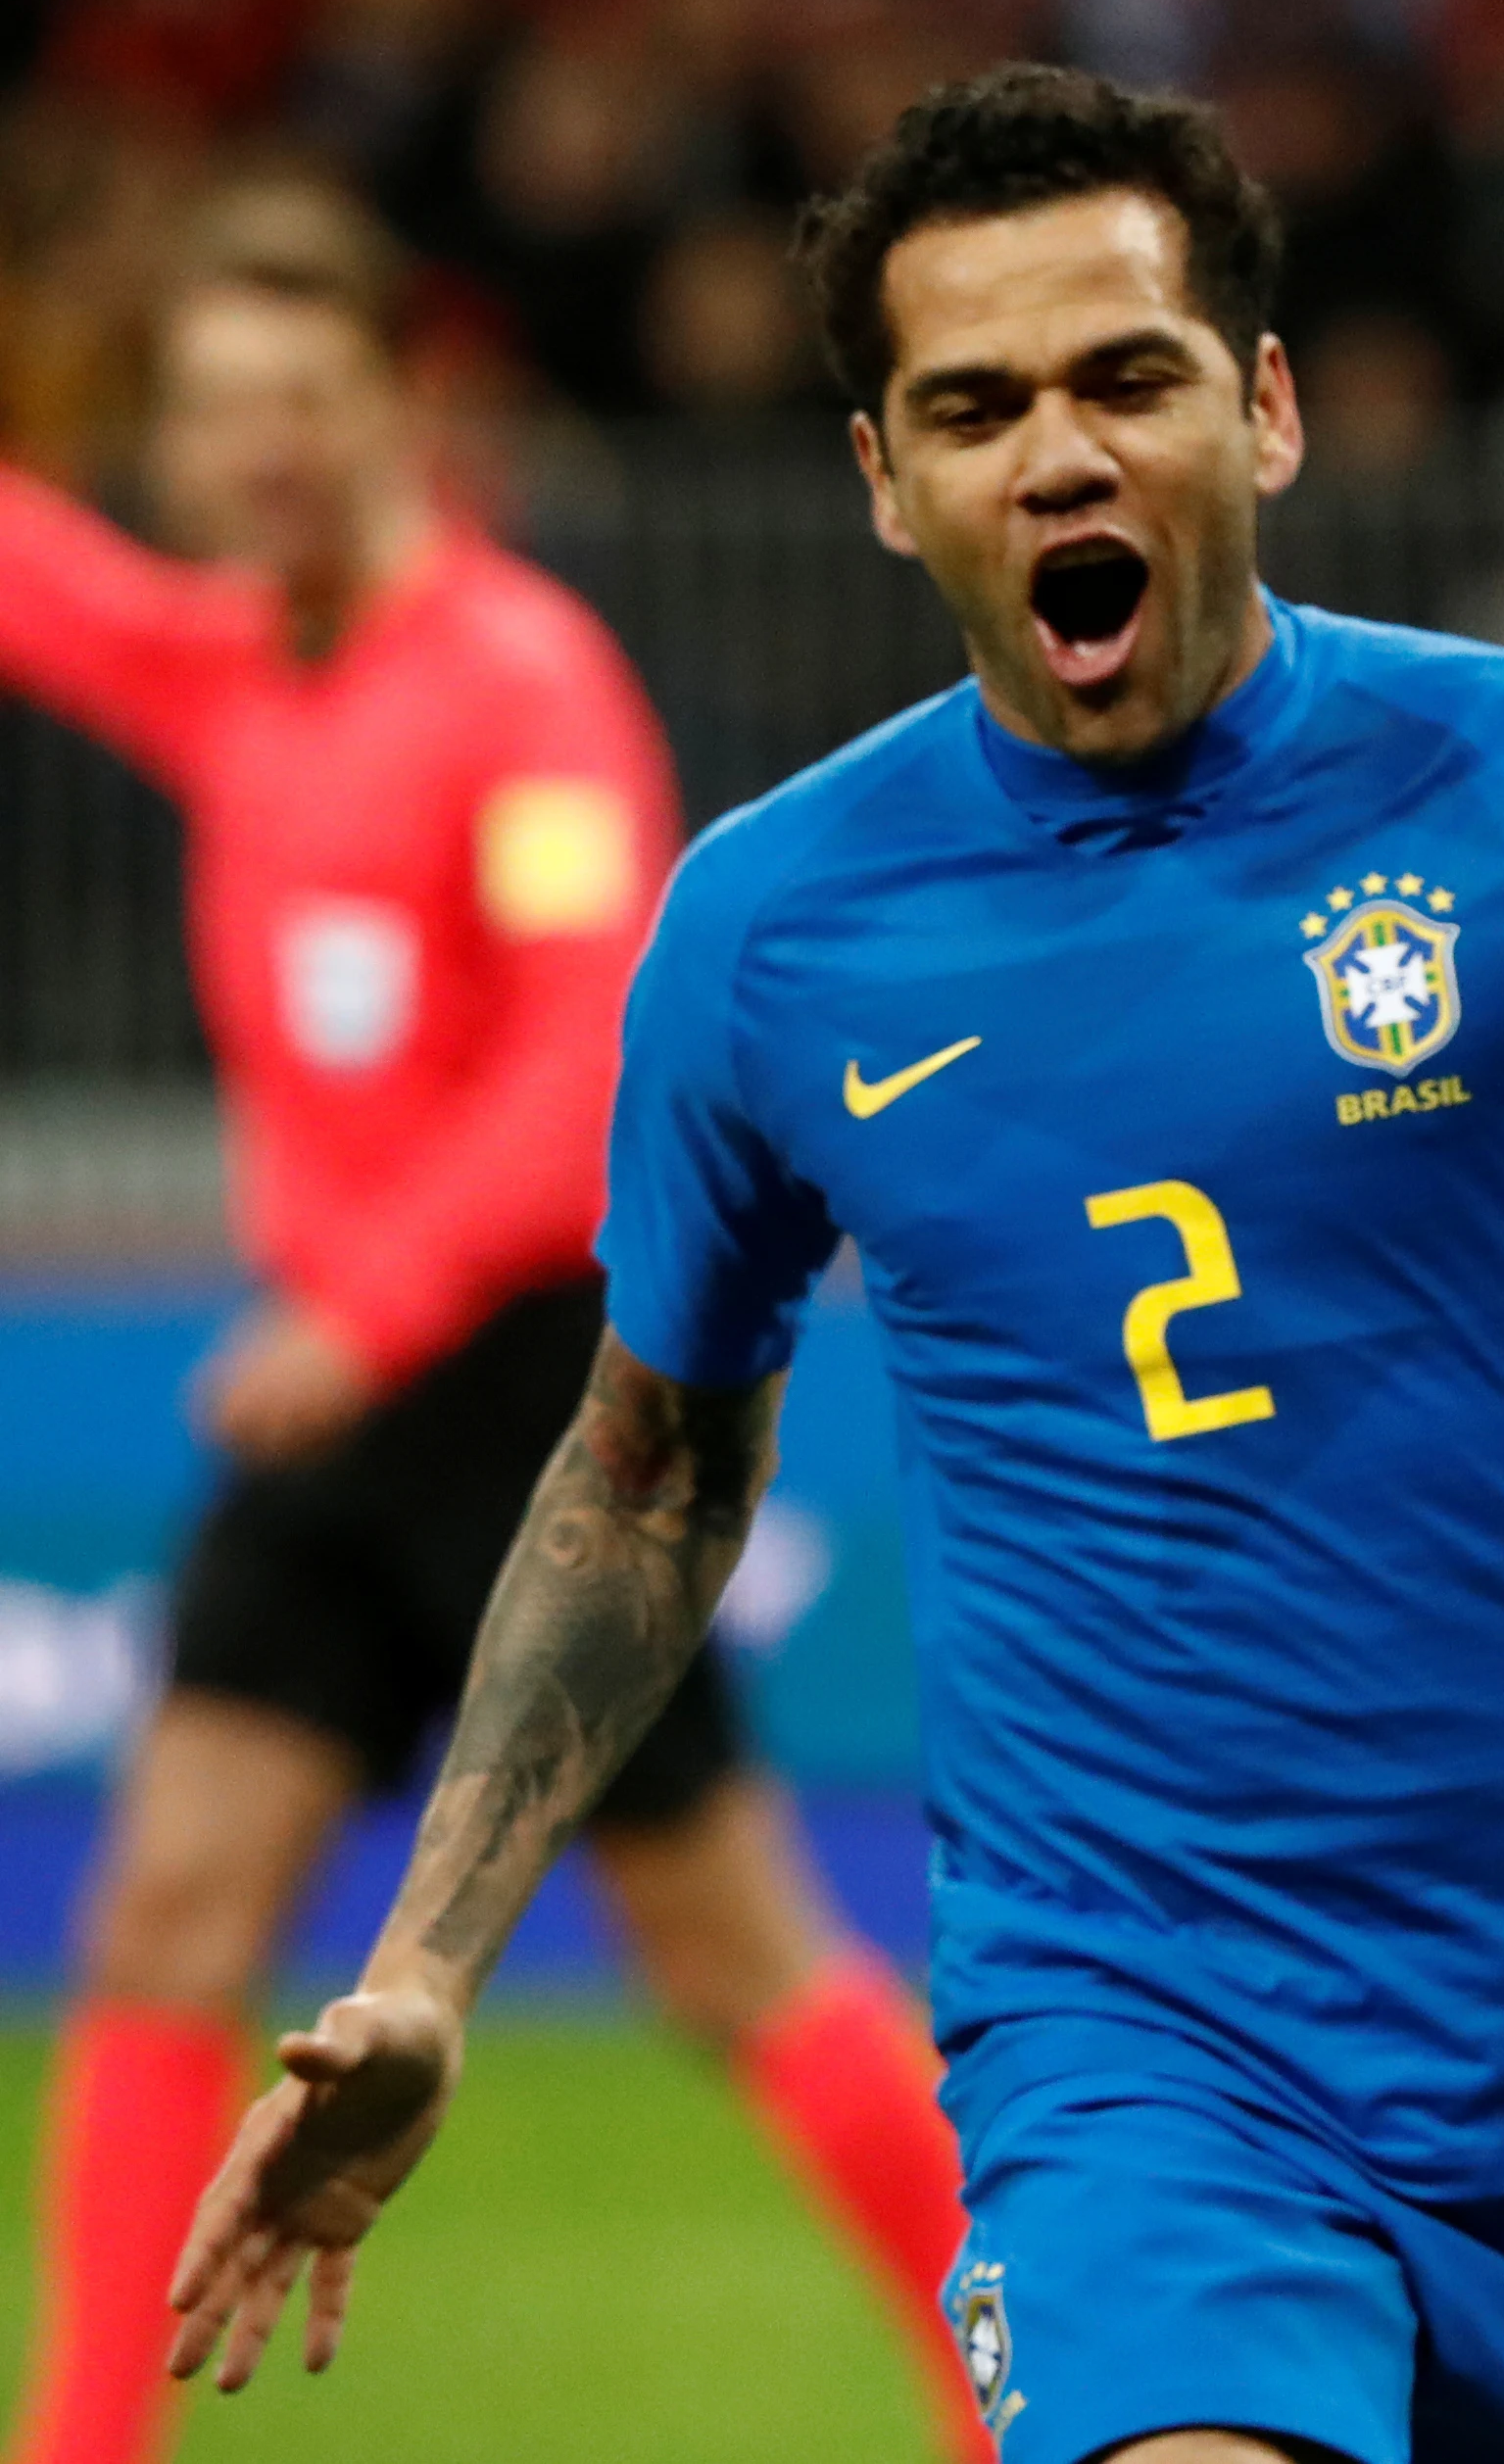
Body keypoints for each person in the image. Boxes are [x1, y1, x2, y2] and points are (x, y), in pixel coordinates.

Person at [156, 65, 1504, 2464]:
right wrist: (429, 1972)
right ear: (888, 481)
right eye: (974, 407)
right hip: (1137, 2053)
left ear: (1266, 406)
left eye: (1125, 378)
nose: (1059, 457)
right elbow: (651, 1466)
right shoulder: (779, 933)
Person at [0, 182, 987, 2464]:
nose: (253, 450)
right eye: (214, 409)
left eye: (297, 403)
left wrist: (366, 1292)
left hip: (540, 1406)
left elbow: (581, 1057)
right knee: (163, 1909)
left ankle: (1028, 2386)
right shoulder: (232, 654)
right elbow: (48, 593)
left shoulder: (515, 678)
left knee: (732, 1953)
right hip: (332, 1403)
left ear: (400, 414)